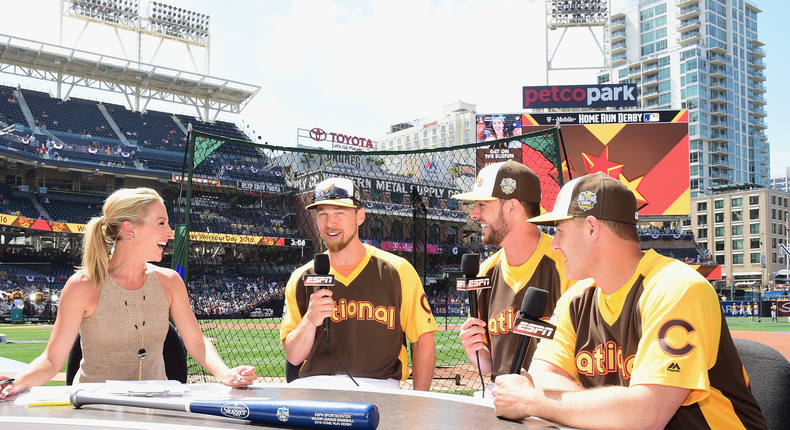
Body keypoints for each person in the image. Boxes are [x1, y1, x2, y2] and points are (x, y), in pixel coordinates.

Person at [491, 172, 767, 429]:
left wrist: (532, 401)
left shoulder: (676, 288)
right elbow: (541, 375)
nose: (554, 243)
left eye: (560, 230)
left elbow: (648, 414)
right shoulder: (574, 300)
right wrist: (614, 408)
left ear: (591, 229)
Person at [0, 188, 257, 399]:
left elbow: (197, 343)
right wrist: (17, 381)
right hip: (95, 409)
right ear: (129, 229)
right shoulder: (82, 286)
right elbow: (51, 359)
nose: (170, 232)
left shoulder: (170, 281)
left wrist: (226, 374)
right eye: (161, 223)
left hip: (159, 408)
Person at [280, 178, 437, 390]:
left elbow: (423, 342)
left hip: (380, 386)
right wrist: (310, 320)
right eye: (322, 214)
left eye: (339, 213)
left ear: (360, 216)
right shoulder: (301, 278)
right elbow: (294, 356)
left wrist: (420, 406)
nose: (330, 223)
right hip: (316, 386)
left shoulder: (398, 270)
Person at [452, 161, 571, 393]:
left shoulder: (566, 266)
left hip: (555, 399)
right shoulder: (485, 272)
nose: (474, 214)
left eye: (482, 205)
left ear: (512, 207)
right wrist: (473, 348)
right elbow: (491, 364)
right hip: (502, 396)